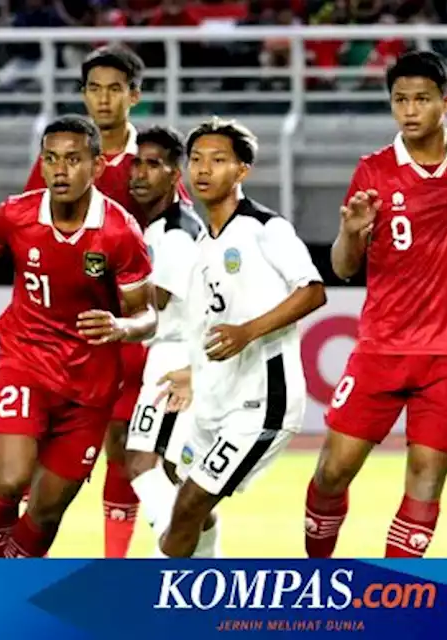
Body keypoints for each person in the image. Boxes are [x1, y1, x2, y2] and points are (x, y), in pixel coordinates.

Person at [0, 115, 157, 558]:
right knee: (10, 481)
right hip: (25, 363)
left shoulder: (120, 232)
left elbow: (148, 316)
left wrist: (123, 327)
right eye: (51, 159)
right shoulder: (16, 214)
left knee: (46, 512)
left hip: (90, 385)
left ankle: (11, 586)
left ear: (97, 167)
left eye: (73, 159)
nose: (60, 170)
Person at [303, 50, 447, 558]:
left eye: (422, 99)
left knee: (425, 479)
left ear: (446, 102)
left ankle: (392, 602)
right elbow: (345, 267)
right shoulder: (373, 170)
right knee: (332, 471)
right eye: (400, 100)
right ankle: (317, 576)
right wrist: (350, 234)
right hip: (381, 348)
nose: (410, 110)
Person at [21, 45, 188, 558]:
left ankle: (115, 563)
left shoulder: (149, 164)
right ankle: (18, 560)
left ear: (134, 96)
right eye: (94, 87)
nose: (104, 98)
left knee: (122, 447)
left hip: (127, 331)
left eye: (115, 88)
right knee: (31, 458)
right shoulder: (60, 159)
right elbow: (29, 232)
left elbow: (177, 236)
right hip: (59, 336)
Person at [155, 117, 327, 557]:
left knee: (188, 505)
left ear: (242, 170)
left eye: (218, 160)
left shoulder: (266, 228)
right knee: (178, 477)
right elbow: (209, 324)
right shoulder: (201, 244)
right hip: (215, 399)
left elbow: (313, 292)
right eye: (196, 160)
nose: (204, 170)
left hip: (262, 402)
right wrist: (191, 371)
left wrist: (248, 332)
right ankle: (204, 585)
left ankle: (145, 608)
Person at [120, 126, 219, 556]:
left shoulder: (176, 232)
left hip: (176, 356)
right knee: (179, 475)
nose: (140, 173)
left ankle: (168, 556)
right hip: (181, 354)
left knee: (142, 463)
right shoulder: (163, 226)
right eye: (136, 163)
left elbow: (151, 302)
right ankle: (208, 559)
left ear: (175, 172)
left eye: (153, 164)